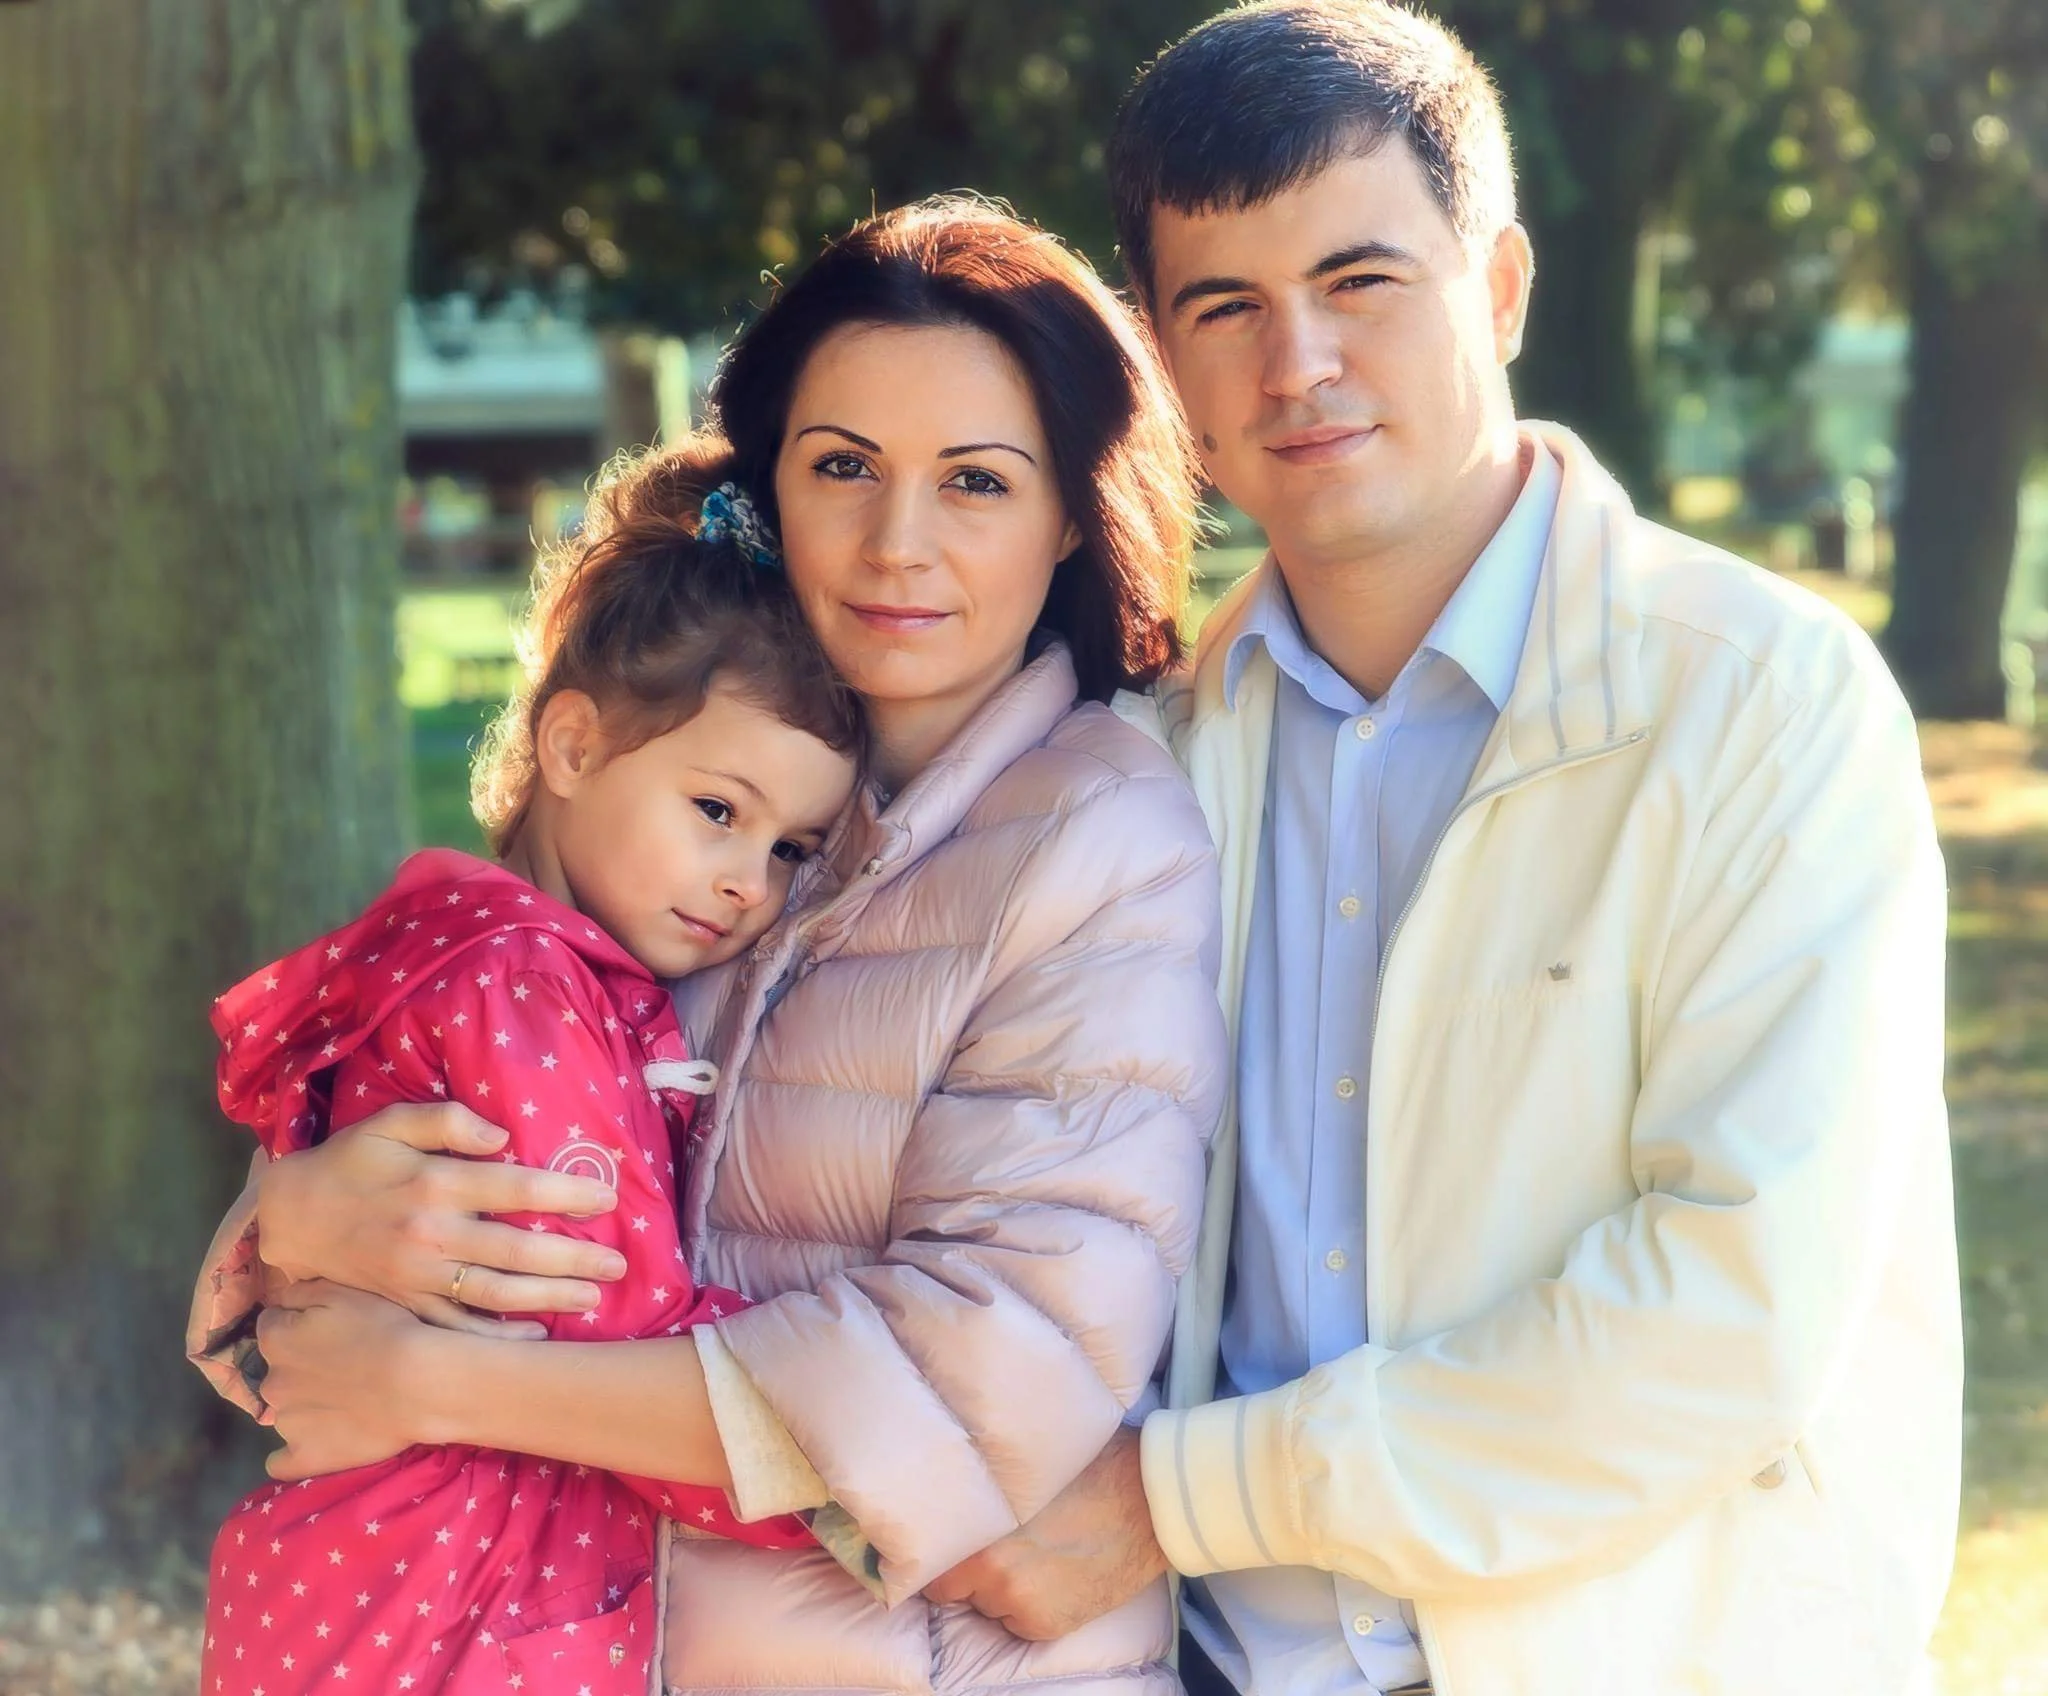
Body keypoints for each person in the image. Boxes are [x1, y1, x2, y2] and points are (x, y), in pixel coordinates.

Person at [925, 6, 1963, 1694]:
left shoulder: (1756, 705)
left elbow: (1726, 1315)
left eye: (1360, 283)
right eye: (1224, 309)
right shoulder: (1138, 767)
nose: (1296, 365)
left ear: (1494, 286)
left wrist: (1173, 1498)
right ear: (1163, 363)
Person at [187, 197, 1226, 1696]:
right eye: (843, 467)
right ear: (774, 486)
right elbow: (462, 1080)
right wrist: (292, 1227)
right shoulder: (707, 791)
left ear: (1069, 514)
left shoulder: (1100, 837)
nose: (898, 543)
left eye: (979, 483)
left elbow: (986, 1383)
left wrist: (437, 1379)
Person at [194, 475, 860, 1693]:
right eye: (716, 809)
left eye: (788, 850)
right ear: (569, 743)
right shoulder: (520, 987)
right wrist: (863, 1477)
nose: (744, 883)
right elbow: (612, 1310)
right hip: (440, 1599)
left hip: (394, 1573)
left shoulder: (468, 949)